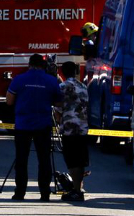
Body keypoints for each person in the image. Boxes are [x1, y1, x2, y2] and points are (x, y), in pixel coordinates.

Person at [7, 53, 64, 201]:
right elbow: (59, 103)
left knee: (21, 160)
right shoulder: (51, 80)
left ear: (29, 64)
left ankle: (20, 192)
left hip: (23, 124)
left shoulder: (19, 79)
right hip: (43, 124)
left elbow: (9, 101)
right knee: (44, 159)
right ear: (43, 66)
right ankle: (45, 193)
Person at [55, 61, 90, 202]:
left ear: (62, 72)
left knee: (72, 161)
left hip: (69, 128)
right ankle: (78, 188)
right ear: (76, 72)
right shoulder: (83, 87)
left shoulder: (62, 87)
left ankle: (76, 191)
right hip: (82, 127)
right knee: (80, 161)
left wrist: (59, 121)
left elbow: (58, 108)